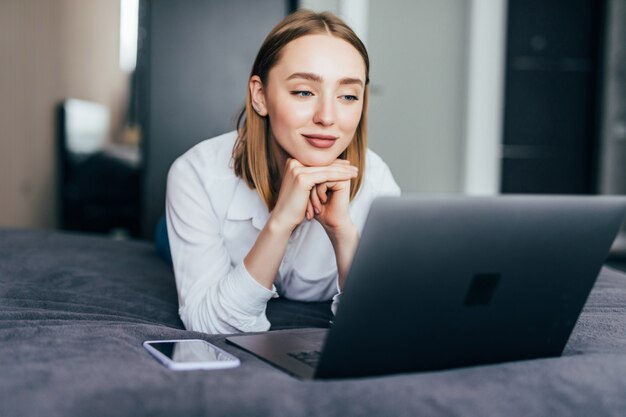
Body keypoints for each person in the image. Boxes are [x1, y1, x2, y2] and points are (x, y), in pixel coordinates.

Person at [166, 9, 400, 334]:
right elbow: (209, 322)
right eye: (304, 92)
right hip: (194, 218)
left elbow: (383, 327)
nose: (327, 117)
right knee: (164, 239)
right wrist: (280, 222)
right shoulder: (196, 175)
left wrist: (343, 231)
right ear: (260, 96)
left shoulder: (376, 182)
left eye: (348, 96)